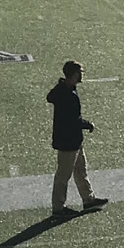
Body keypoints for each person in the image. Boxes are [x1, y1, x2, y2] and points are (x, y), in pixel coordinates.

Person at [47, 61, 107, 215]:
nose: (82, 75)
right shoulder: (69, 96)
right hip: (69, 142)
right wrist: (89, 125)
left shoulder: (65, 90)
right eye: (80, 72)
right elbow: (75, 120)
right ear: (74, 75)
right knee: (63, 175)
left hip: (74, 141)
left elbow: (50, 96)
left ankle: (88, 199)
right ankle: (58, 208)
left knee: (81, 170)